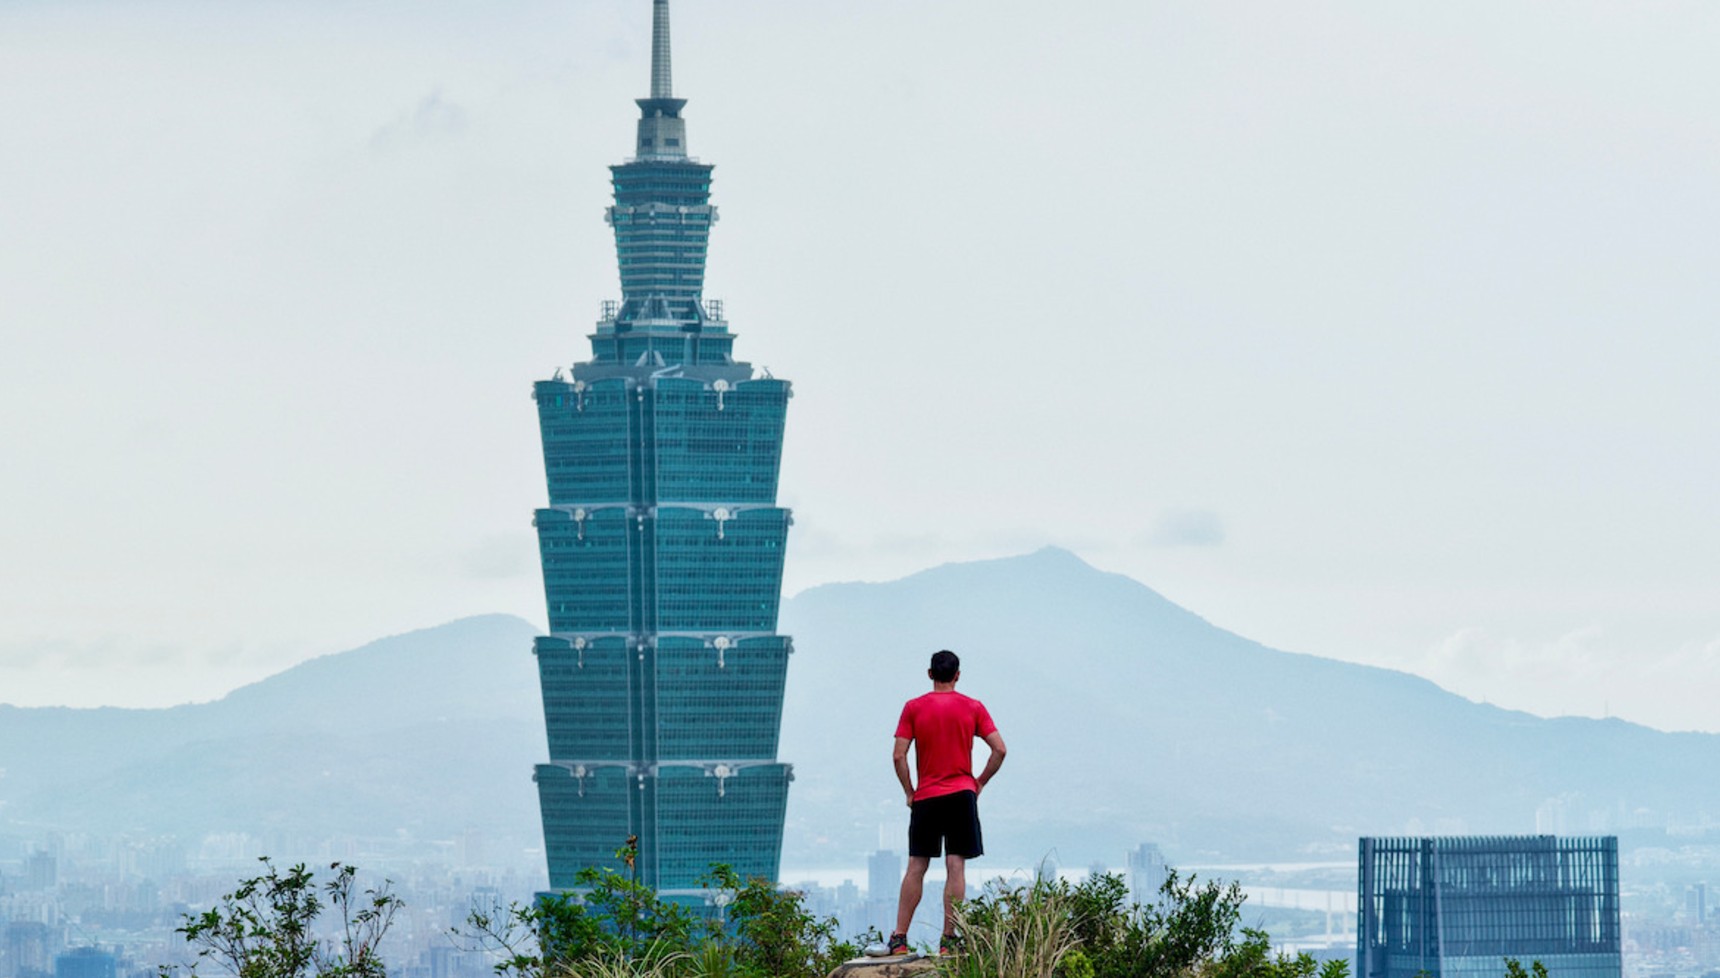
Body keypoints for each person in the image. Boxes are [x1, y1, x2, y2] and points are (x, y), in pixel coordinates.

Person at [877, 649, 1006, 957]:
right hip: (961, 794)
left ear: (930, 673)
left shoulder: (913, 708)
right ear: (957, 675)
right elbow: (1000, 749)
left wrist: (909, 791)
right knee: (955, 865)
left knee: (916, 866)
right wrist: (979, 782)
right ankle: (949, 941)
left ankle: (899, 938)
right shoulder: (973, 707)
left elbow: (898, 754)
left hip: (927, 796)